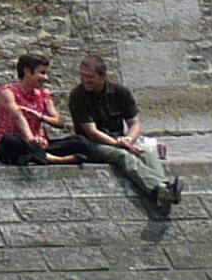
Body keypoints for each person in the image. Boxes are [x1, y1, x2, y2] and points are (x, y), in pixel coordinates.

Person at [66, 54, 181, 211]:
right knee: (124, 156)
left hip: (120, 140)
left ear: (103, 76)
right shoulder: (77, 96)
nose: (85, 80)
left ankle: (164, 189)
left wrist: (129, 139)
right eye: (83, 76)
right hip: (92, 144)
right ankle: (159, 188)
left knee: (147, 152)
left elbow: (135, 123)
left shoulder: (121, 92)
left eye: (90, 77)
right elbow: (92, 132)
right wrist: (120, 144)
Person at [0, 54, 77, 168]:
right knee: (10, 141)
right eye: (42, 73)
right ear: (27, 72)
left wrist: (40, 117)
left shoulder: (43, 94)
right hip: (20, 143)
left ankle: (35, 156)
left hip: (37, 146)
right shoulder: (7, 93)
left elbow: (60, 122)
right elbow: (19, 117)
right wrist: (31, 139)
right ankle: (54, 159)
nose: (45, 78)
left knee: (79, 141)